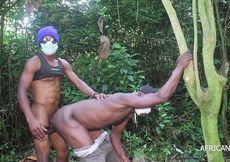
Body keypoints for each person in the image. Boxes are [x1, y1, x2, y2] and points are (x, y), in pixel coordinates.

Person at [52, 52, 193, 162]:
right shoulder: (125, 99)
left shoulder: (128, 111)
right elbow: (161, 97)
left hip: (85, 124)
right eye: (148, 105)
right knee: (94, 156)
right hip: (66, 118)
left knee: (107, 145)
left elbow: (115, 134)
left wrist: (123, 156)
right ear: (140, 96)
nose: (146, 112)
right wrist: (179, 67)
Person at [17, 26, 107, 162]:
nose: (49, 42)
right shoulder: (34, 62)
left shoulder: (62, 63)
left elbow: (78, 82)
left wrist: (94, 94)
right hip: (39, 114)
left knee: (63, 152)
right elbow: (21, 91)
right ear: (39, 42)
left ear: (57, 41)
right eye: (45, 39)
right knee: (43, 156)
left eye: (52, 39)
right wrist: (31, 120)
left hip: (55, 115)